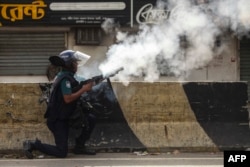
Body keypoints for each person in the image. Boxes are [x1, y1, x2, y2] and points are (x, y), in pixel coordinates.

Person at [23, 50, 96, 159]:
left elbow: (74, 90)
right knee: (61, 152)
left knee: (90, 118)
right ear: (69, 64)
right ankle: (32, 144)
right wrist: (84, 89)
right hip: (57, 120)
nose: (77, 65)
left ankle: (80, 146)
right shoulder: (64, 79)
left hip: (65, 116)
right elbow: (67, 99)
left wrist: (85, 86)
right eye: (75, 63)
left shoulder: (66, 76)